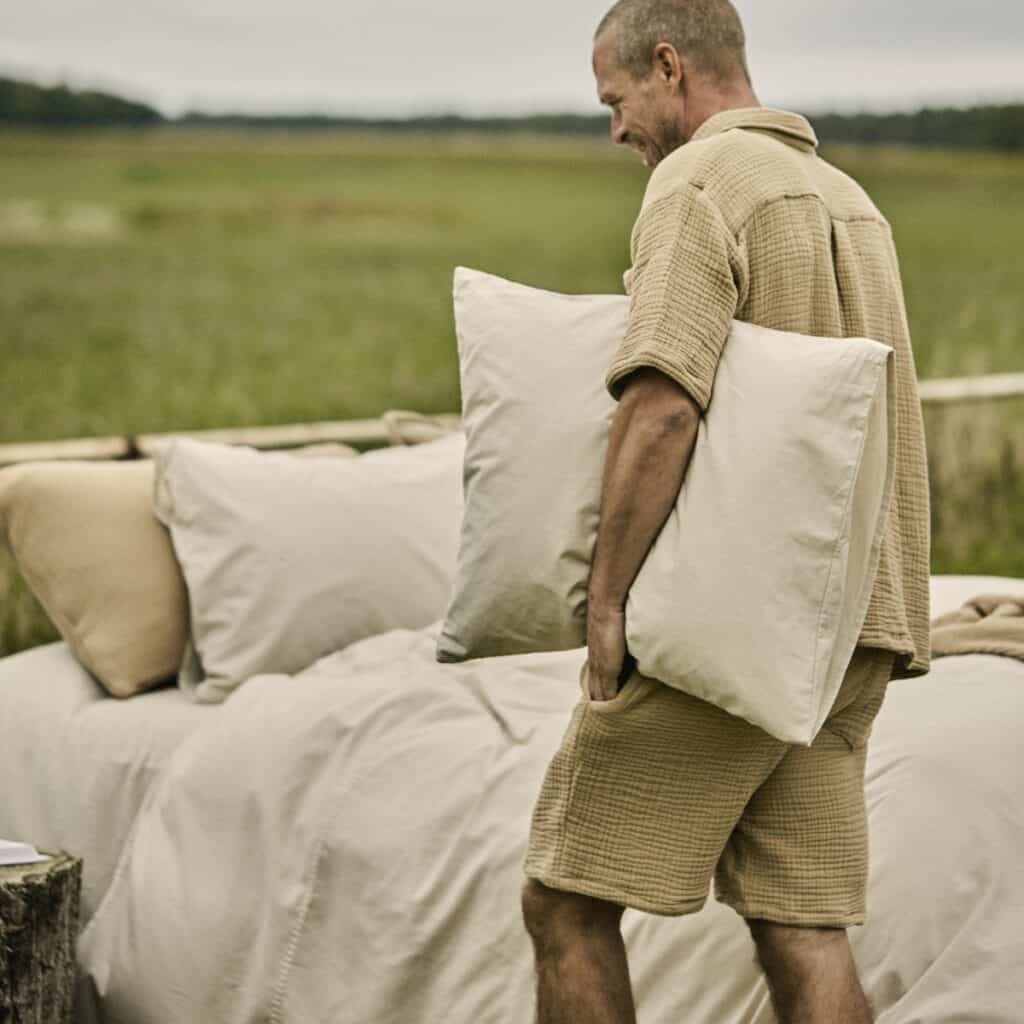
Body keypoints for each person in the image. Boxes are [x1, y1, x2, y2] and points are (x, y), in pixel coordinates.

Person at [519, 1, 932, 1022]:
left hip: (740, 623)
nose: (613, 127)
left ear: (667, 67)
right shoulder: (849, 198)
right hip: (860, 621)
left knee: (563, 902)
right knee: (801, 922)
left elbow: (661, 403)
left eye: (614, 100)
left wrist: (606, 604)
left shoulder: (696, 180)